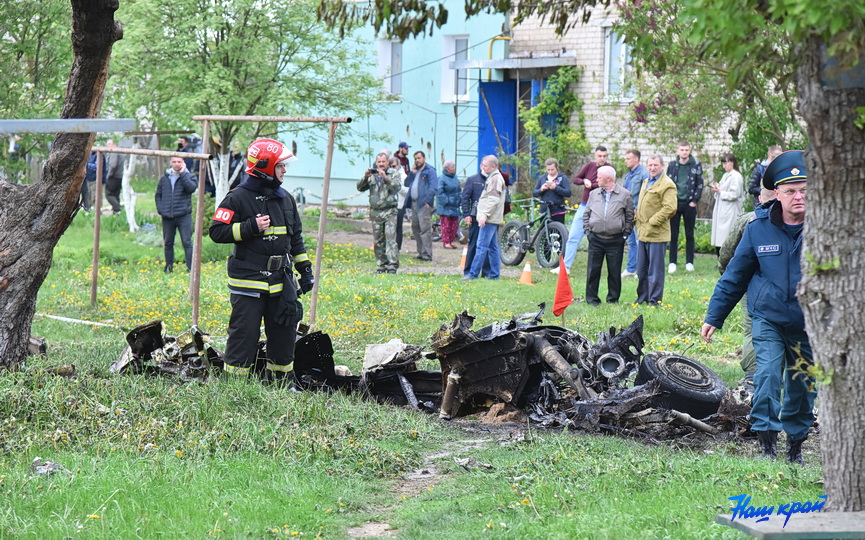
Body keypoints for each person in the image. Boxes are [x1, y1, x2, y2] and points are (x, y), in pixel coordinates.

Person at [701, 150, 813, 465]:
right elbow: (735, 276)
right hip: (769, 319)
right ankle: (766, 444)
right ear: (776, 193)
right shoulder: (758, 227)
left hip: (809, 323)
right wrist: (714, 317)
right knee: (767, 377)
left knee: (803, 385)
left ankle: (796, 448)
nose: (798, 197)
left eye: (804, 190)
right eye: (791, 191)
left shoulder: (824, 228)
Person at [209, 138, 313, 383]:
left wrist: (305, 270)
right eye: (280, 166)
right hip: (248, 281)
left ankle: (281, 383)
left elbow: (295, 238)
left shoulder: (286, 198)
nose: (284, 171)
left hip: (281, 281)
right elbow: (216, 232)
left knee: (284, 332)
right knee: (244, 334)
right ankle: (235, 385)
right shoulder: (237, 197)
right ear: (265, 167)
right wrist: (249, 227)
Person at [718, 187, 777, 387]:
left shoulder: (748, 220)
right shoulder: (794, 219)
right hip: (782, 285)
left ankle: (752, 376)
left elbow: (727, 252)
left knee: (752, 329)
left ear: (760, 198)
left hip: (752, 283)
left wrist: (728, 275)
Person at [583, 165, 633, 306]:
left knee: (614, 271)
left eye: (599, 177)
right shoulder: (594, 194)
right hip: (595, 238)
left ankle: (613, 299)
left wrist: (625, 234)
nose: (596, 179)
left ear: (608, 178)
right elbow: (586, 214)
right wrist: (588, 232)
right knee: (593, 270)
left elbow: (629, 216)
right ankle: (592, 299)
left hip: (615, 239)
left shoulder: (625, 195)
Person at [556, 145, 608, 275]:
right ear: (595, 156)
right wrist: (585, 180)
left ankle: (597, 269)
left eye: (604, 156)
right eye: (600, 156)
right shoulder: (590, 166)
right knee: (573, 236)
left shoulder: (609, 169)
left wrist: (592, 184)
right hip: (585, 206)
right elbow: (576, 179)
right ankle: (565, 267)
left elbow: (607, 184)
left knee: (597, 239)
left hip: (600, 208)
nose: (602, 159)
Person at [634, 155, 677, 306]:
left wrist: (652, 221)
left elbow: (670, 208)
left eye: (656, 165)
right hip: (643, 233)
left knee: (655, 271)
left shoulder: (667, 184)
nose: (652, 168)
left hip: (657, 234)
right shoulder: (646, 181)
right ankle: (642, 298)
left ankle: (654, 300)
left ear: (662, 165)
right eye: (650, 165)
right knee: (642, 269)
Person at [462, 155, 505, 281]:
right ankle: (494, 275)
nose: (482, 167)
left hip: (489, 218)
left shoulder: (495, 179)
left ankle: (473, 274)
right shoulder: (493, 177)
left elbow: (493, 199)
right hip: (491, 218)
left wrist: (484, 215)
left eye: (485, 166)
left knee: (481, 247)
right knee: (492, 248)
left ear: (493, 166)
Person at [357, 152, 401, 274]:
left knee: (390, 237)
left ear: (388, 162)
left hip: (390, 211)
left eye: (383, 162)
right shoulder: (372, 175)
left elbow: (397, 187)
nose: (381, 164)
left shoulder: (394, 173)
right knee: (378, 240)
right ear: (376, 163)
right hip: (376, 212)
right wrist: (365, 177)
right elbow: (360, 187)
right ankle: (381, 266)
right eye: (379, 162)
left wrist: (385, 178)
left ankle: (392, 266)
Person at [666, 141, 704, 273]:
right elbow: (667, 184)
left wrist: (695, 200)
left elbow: (700, 184)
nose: (684, 152)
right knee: (673, 234)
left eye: (686, 150)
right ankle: (672, 262)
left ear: (689, 150)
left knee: (689, 234)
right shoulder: (672, 165)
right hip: (675, 204)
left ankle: (689, 262)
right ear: (678, 151)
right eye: (682, 149)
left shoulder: (696, 165)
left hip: (689, 204)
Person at [155, 157, 198, 273]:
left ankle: (191, 269)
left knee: (187, 242)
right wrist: (161, 209)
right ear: (170, 162)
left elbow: (191, 188)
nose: (176, 164)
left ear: (183, 163)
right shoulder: (165, 177)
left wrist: (183, 174)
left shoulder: (189, 176)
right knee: (168, 242)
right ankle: (168, 268)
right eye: (174, 162)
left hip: (183, 215)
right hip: (167, 216)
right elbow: (158, 194)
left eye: (179, 162)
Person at [405, 150, 438, 261]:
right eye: (415, 158)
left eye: (419, 158)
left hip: (423, 204)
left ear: (424, 158)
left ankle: (427, 254)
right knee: (416, 228)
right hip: (414, 203)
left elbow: (433, 187)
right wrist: (411, 173)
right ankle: (420, 252)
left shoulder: (430, 171)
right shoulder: (416, 172)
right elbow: (406, 183)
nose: (417, 160)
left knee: (425, 229)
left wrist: (428, 201)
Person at [459, 165, 491, 278]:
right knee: (473, 244)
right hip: (475, 216)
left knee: (489, 245)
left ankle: (486, 273)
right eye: (484, 165)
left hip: (490, 217)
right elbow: (465, 197)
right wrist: (466, 214)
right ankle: (468, 271)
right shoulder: (473, 179)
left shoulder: (494, 179)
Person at [622, 149, 649, 278]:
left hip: (639, 213)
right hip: (628, 213)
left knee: (640, 241)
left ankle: (641, 269)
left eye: (628, 158)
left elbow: (647, 194)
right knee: (631, 241)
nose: (625, 161)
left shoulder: (644, 174)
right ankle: (631, 268)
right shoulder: (629, 175)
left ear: (636, 159)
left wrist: (638, 209)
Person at [710, 153, 745, 253]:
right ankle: (720, 260)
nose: (724, 166)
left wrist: (720, 192)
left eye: (725, 163)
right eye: (723, 163)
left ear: (732, 162)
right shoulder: (726, 175)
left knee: (727, 238)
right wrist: (716, 189)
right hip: (722, 210)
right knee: (719, 238)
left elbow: (735, 194)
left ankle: (727, 261)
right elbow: (721, 190)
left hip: (730, 211)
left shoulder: (736, 176)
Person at [532, 157, 571, 224]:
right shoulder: (542, 178)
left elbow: (568, 193)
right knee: (544, 232)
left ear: (556, 168)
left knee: (558, 232)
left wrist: (556, 187)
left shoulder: (562, 178)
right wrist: (541, 189)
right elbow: (534, 193)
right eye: (548, 170)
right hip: (544, 210)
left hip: (558, 211)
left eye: (552, 170)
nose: (550, 172)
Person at [436, 160, 462, 249]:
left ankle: (451, 241)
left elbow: (458, 190)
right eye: (452, 167)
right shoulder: (442, 178)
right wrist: (447, 200)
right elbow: (440, 192)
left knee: (454, 225)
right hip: (446, 206)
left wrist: (460, 198)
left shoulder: (455, 178)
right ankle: (446, 242)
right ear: (447, 169)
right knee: (446, 225)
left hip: (455, 205)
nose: (454, 168)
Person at [389, 156, 409, 250]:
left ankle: (398, 248)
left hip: (400, 205)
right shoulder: (388, 175)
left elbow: (407, 191)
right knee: (389, 227)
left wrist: (397, 186)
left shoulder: (404, 176)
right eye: (390, 166)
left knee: (398, 228)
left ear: (398, 165)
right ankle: (389, 247)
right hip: (389, 204)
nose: (393, 168)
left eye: (394, 166)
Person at [104, 139, 126, 214]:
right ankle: (116, 212)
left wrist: (109, 174)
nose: (108, 145)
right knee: (116, 194)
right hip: (120, 176)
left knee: (109, 194)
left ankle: (117, 208)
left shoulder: (114, 151)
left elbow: (113, 165)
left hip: (114, 176)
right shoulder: (120, 151)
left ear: (114, 144)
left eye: (109, 144)